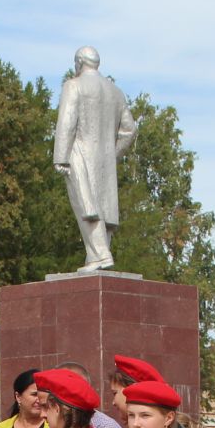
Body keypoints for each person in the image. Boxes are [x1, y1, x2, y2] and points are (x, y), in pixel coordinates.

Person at [52, 45, 138, 271]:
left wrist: (61, 157)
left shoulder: (74, 86)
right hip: (105, 158)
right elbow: (129, 130)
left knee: (86, 205)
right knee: (103, 207)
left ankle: (100, 255)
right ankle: (94, 257)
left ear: (79, 63)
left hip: (79, 153)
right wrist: (113, 153)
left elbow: (67, 122)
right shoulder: (115, 92)